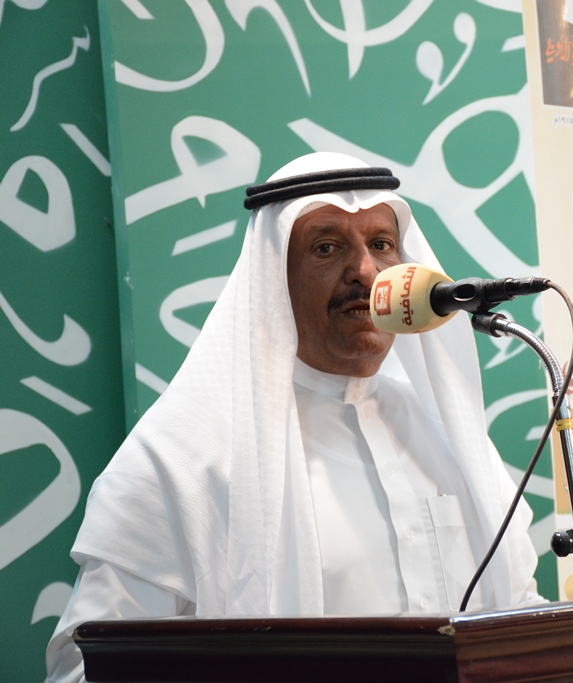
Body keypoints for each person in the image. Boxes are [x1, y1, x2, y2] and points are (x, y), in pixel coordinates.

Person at [46, 153, 544, 683]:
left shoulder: (452, 440)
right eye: (326, 248)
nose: (365, 272)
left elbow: (521, 618)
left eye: (381, 244)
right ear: (273, 281)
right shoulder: (181, 459)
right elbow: (83, 670)